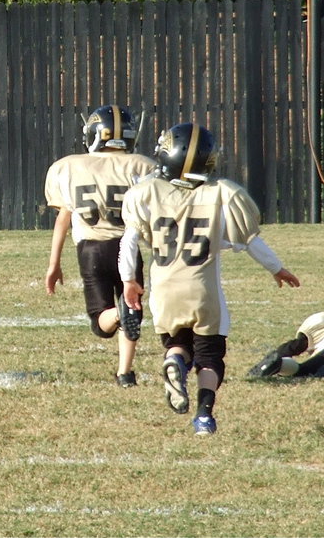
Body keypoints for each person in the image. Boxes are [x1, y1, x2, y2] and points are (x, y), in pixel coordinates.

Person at [119, 122, 300, 435]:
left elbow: (129, 241)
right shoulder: (221, 193)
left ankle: (175, 361)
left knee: (178, 344)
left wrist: (128, 280)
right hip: (203, 289)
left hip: (164, 289)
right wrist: (276, 268)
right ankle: (204, 415)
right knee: (210, 356)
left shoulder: (146, 192)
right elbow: (250, 241)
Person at [43, 105, 157, 388]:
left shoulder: (68, 166)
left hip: (91, 250)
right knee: (132, 305)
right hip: (128, 247)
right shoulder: (143, 166)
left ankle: (118, 314)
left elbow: (63, 219)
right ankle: (125, 373)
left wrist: (54, 264)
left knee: (101, 323)